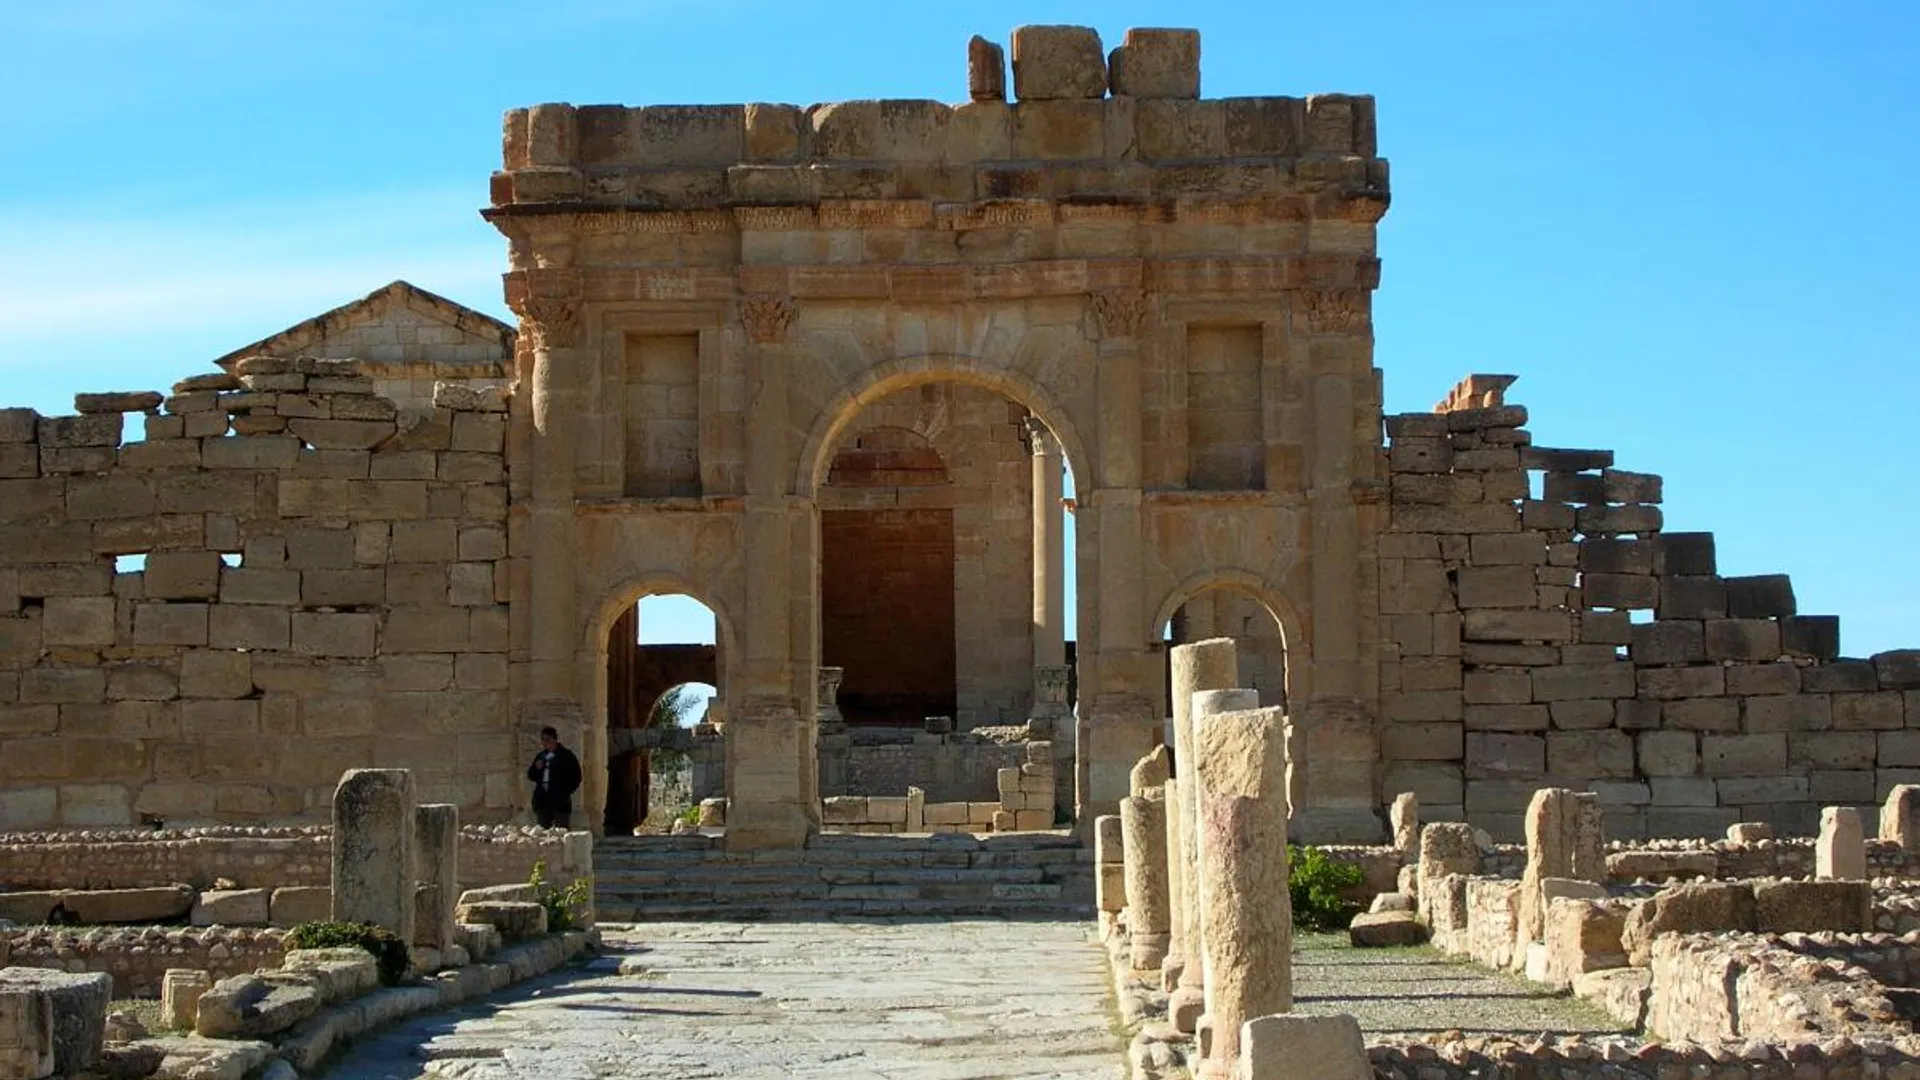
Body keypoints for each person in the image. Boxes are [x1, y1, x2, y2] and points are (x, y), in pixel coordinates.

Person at [527, 726, 583, 829]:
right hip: (543, 801)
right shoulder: (541, 756)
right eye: (543, 740)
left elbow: (576, 777)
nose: (545, 743)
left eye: (547, 739)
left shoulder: (566, 756)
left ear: (554, 739)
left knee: (561, 830)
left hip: (560, 802)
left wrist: (566, 791)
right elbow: (531, 775)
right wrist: (536, 768)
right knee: (542, 833)